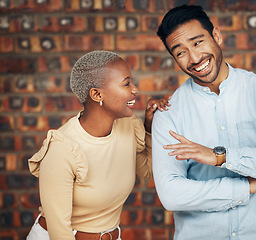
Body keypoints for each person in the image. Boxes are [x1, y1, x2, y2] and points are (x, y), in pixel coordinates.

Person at [152, 5, 256, 240]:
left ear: (217, 36)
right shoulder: (169, 113)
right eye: (180, 52)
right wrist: (245, 187)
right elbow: (171, 194)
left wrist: (219, 157)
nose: (194, 58)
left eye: (197, 42)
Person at [26, 50, 170, 240]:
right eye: (126, 84)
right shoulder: (62, 149)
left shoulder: (128, 124)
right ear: (97, 94)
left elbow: (147, 171)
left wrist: (150, 128)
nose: (135, 89)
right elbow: (59, 232)